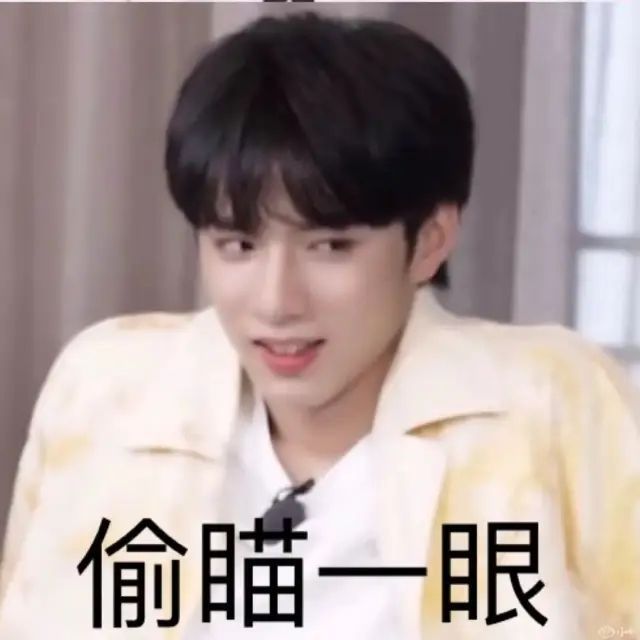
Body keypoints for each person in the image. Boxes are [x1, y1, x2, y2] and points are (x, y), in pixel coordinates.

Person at [0, 11, 638, 640]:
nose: (277, 301)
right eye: (237, 245)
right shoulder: (107, 391)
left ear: (430, 240)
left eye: (330, 247)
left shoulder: (547, 403)